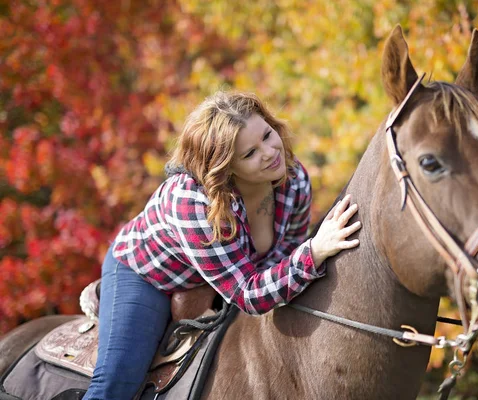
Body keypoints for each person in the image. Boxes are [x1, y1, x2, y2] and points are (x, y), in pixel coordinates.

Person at [83, 91, 361, 399]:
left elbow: (285, 255)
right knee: (117, 383)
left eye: (267, 135)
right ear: (225, 167)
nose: (270, 152)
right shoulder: (194, 204)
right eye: (249, 154)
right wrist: (315, 252)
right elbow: (247, 293)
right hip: (148, 274)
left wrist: (305, 257)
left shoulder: (294, 180)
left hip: (224, 277)